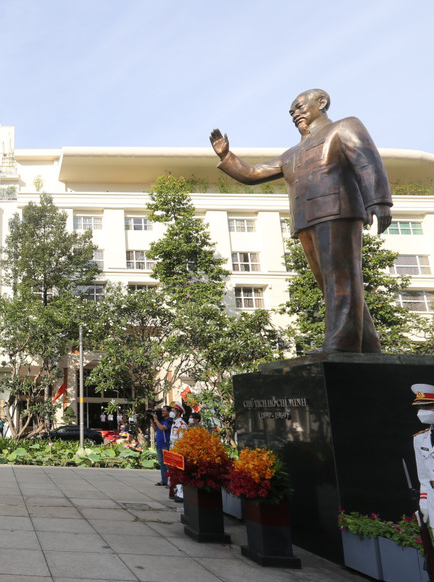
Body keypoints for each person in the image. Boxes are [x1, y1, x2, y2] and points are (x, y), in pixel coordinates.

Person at [210, 89, 392, 353]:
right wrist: (226, 156)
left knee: (341, 280)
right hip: (306, 220)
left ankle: (341, 344)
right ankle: (367, 344)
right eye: (291, 112)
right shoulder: (291, 153)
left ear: (322, 102)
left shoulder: (344, 127)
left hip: (338, 211)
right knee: (331, 285)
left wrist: (379, 200)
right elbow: (254, 172)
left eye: (299, 107)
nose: (295, 114)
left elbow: (367, 162)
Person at [412, 384, 434, 533]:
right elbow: (424, 478)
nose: (422, 412)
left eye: (427, 407)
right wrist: (424, 504)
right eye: (420, 408)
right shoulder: (420, 439)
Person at [152, 407, 171, 486]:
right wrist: (152, 420)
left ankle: (171, 482)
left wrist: (156, 420)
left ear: (168, 412)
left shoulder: (169, 421)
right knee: (161, 463)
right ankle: (164, 480)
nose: (162, 412)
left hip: (165, 444)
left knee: (168, 464)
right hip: (159, 444)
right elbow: (155, 429)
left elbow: (163, 428)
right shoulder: (161, 420)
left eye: (164, 411)